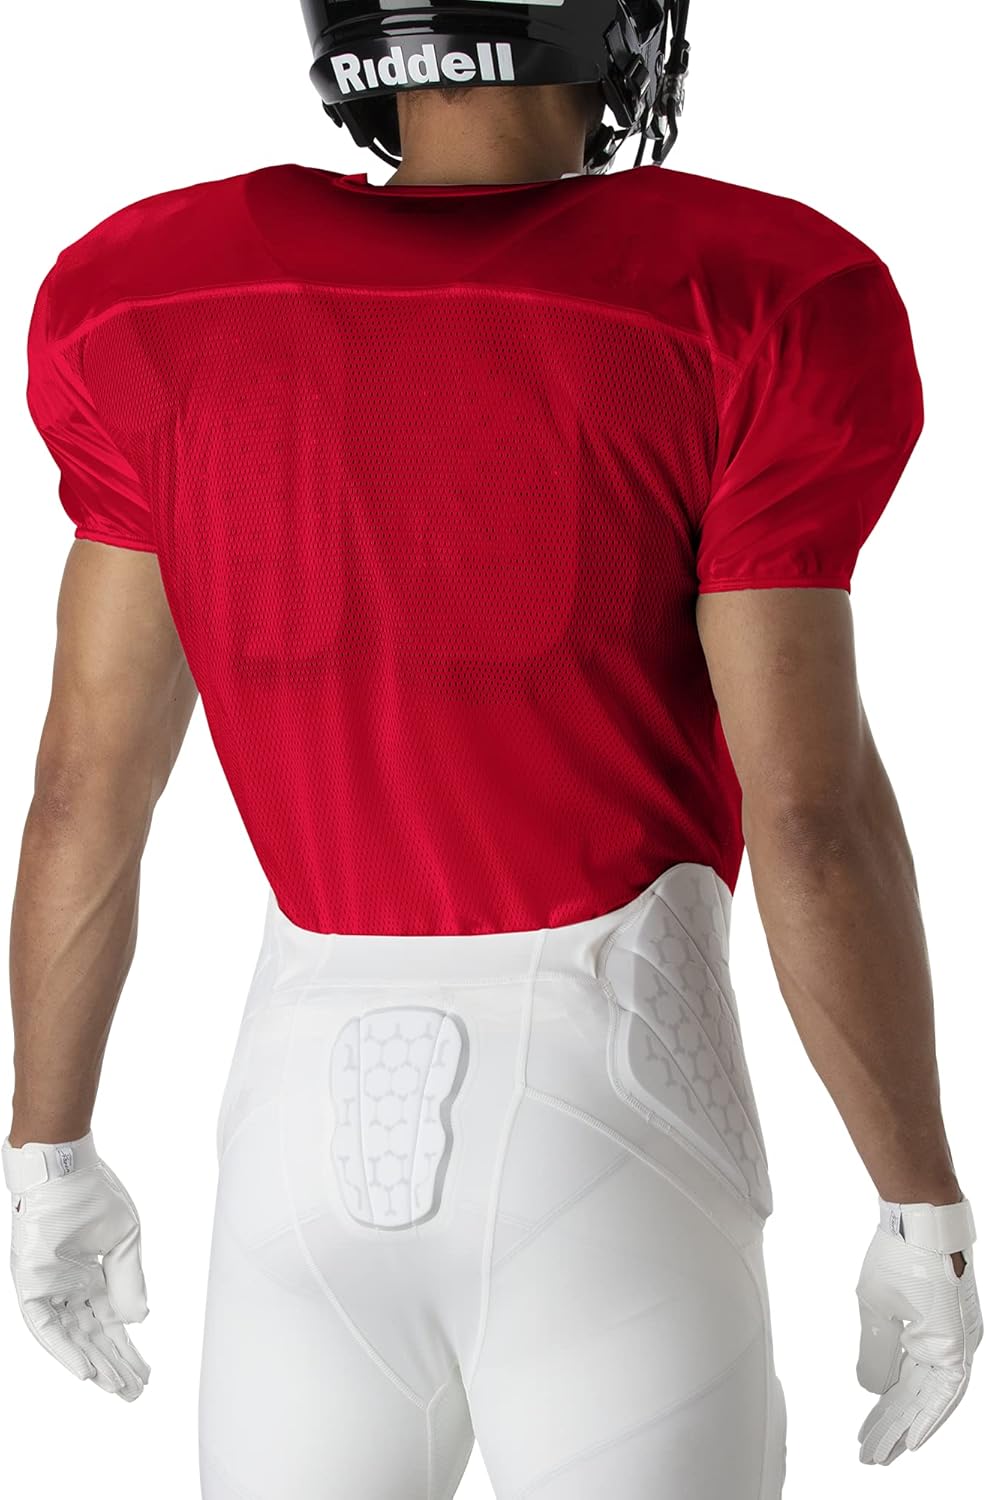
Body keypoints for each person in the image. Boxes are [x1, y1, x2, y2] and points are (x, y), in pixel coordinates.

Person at [3, 3, 981, 1496]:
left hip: (288, 1135)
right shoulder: (750, 295)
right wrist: (920, 1202)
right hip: (614, 1125)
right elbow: (812, 817)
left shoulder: (153, 301)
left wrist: (45, 1151)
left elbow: (86, 790)